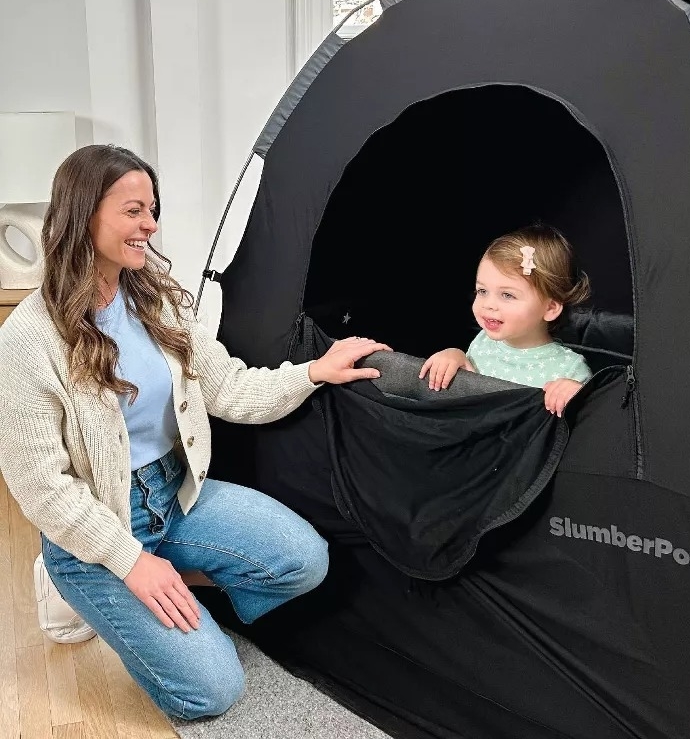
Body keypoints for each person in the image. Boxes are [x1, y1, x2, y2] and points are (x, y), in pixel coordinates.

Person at [0, 144, 391, 720]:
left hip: (176, 494)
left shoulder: (154, 300)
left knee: (304, 560)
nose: (150, 225)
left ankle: (170, 590)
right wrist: (128, 561)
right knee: (211, 692)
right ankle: (80, 587)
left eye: (152, 209)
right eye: (134, 210)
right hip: (97, 528)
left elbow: (228, 387)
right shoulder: (29, 338)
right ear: (84, 214)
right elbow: (37, 485)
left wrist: (313, 372)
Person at [420, 223, 591, 416]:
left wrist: (578, 396)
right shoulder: (482, 342)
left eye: (507, 295)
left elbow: (590, 423)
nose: (488, 304)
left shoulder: (569, 368)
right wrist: (455, 356)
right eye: (482, 291)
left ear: (550, 308)